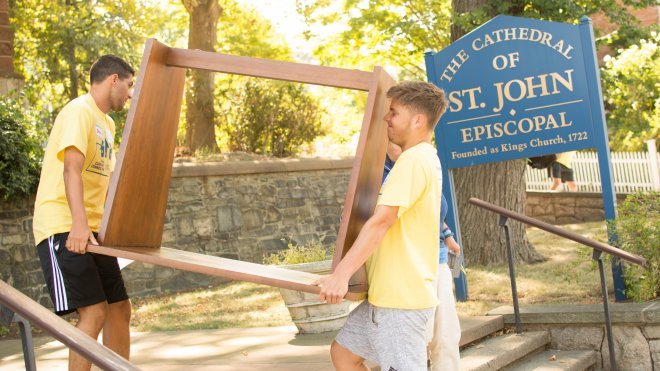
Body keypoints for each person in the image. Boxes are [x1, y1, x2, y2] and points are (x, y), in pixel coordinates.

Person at [315, 81, 448, 371]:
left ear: (418, 120)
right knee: (344, 354)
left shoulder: (413, 161)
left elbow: (381, 222)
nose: (386, 118)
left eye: (394, 113)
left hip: (400, 302)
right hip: (387, 295)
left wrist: (341, 275)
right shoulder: (422, 158)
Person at [32, 55, 135, 371]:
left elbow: (104, 182)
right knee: (93, 312)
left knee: (120, 308)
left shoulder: (107, 122)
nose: (131, 94)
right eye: (130, 85)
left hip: (92, 228)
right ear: (113, 79)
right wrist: (79, 225)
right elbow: (72, 170)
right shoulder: (80, 111)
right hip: (65, 225)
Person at [383, 142, 461, 371]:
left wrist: (447, 236)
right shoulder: (382, 174)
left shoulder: (423, 163)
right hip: (408, 265)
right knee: (417, 336)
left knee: (447, 334)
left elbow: (434, 209)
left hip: (437, 259)